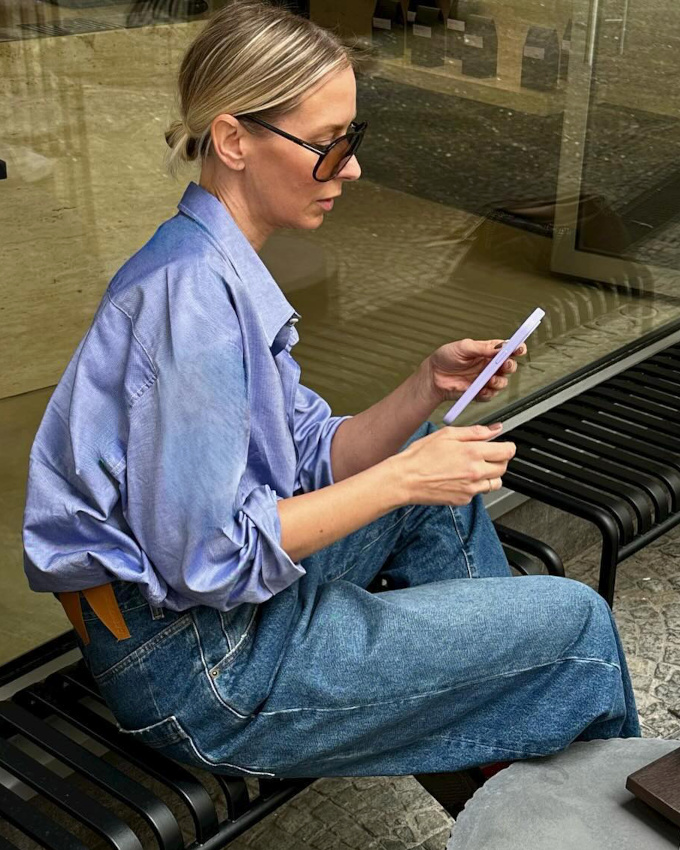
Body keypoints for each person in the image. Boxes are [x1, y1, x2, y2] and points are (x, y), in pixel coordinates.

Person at [22, 0, 638, 807]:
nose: (351, 169)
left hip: (212, 623)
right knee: (575, 628)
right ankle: (561, 798)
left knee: (426, 480)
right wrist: (404, 478)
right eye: (329, 144)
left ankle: (495, 742)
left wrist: (424, 387)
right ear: (235, 140)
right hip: (203, 670)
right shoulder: (193, 308)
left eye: (354, 138)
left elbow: (314, 457)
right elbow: (210, 560)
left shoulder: (211, 263)